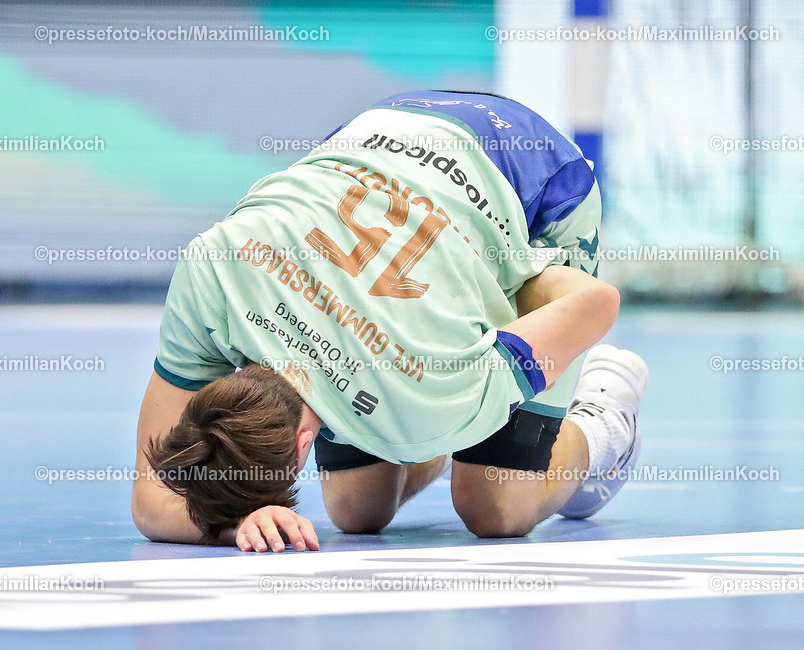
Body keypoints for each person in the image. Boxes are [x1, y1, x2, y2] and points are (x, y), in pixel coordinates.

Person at [132, 90, 648, 552]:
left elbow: (596, 303)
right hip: (386, 132)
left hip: (534, 178)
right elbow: (150, 500)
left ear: (301, 446)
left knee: (496, 505)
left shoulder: (431, 384)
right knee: (358, 510)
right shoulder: (210, 273)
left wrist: (511, 286)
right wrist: (239, 523)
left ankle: (605, 420)